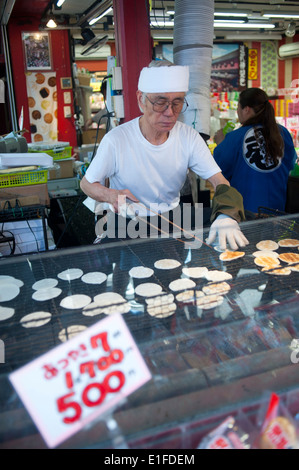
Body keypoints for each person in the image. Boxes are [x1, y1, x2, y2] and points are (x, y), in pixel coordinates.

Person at [80, 60, 249, 251]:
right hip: (127, 223)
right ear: (140, 99)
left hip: (173, 219)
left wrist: (226, 213)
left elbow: (220, 181)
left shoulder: (188, 137)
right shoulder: (117, 140)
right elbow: (86, 183)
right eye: (160, 103)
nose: (169, 113)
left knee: (172, 274)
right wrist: (110, 195)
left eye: (177, 103)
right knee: (128, 275)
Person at [213, 88, 297, 215]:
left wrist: (220, 143)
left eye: (238, 107)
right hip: (277, 210)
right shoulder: (282, 133)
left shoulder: (235, 137)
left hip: (246, 212)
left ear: (246, 109)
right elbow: (291, 164)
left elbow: (218, 170)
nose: (237, 112)